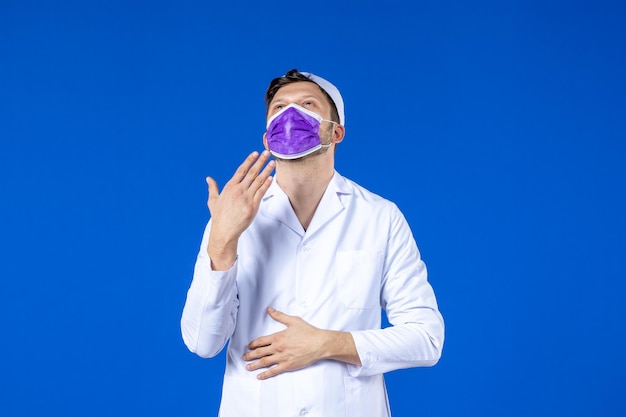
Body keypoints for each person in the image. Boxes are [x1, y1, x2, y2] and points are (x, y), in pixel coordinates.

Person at [181, 69, 444, 417]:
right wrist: (222, 242)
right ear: (267, 137)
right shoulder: (231, 217)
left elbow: (426, 338)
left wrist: (328, 344)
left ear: (336, 131)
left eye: (307, 104)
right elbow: (202, 342)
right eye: (279, 108)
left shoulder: (380, 217)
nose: (290, 116)